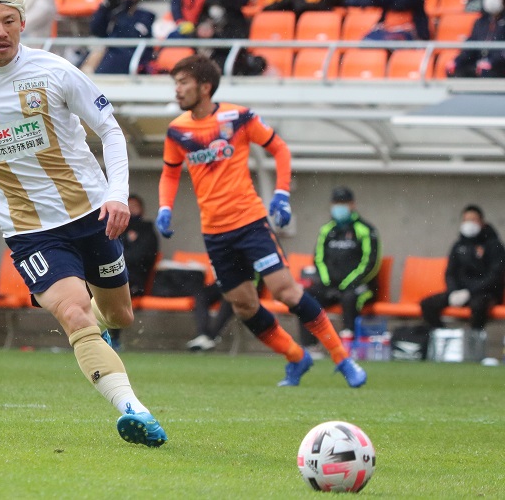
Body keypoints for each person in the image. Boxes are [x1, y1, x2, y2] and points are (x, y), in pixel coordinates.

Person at [0, 0, 167, 447]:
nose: (0, 31)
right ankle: (134, 409)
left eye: (9, 21)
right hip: (28, 230)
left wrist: (117, 194)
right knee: (75, 313)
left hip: (90, 214)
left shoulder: (55, 71)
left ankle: (101, 333)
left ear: (23, 23)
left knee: (119, 315)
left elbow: (110, 129)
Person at [156, 54, 367, 388]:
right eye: (175, 83)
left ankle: (342, 358)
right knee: (243, 305)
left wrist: (281, 194)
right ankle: (296, 357)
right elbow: (170, 174)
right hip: (215, 233)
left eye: (183, 83)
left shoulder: (238, 117)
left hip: (250, 224)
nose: (177, 90)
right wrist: (164, 208)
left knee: (286, 292)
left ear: (205, 87)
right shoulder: (177, 130)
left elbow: (280, 149)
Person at [298, 187, 381, 354]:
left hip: (360, 286)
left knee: (350, 298)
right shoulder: (327, 230)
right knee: (305, 297)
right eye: (336, 203)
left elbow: (371, 263)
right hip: (331, 285)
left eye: (344, 203)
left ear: (352, 204)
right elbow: (318, 259)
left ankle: (348, 347)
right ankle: (310, 347)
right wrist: (327, 282)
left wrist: (347, 283)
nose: (339, 207)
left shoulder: (365, 229)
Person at [420, 205, 505, 332]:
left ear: (482, 222)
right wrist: (453, 291)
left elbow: (495, 277)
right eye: (466, 220)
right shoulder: (458, 246)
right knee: (428, 304)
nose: (469, 224)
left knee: (479, 305)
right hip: (459, 292)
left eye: (473, 220)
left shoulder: (494, 245)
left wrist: (470, 292)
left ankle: (474, 339)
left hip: (485, 293)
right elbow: (450, 273)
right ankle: (444, 336)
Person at [111, 194, 159, 350]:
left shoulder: (147, 230)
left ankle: (114, 338)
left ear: (142, 210)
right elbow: (110, 254)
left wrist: (127, 250)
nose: (131, 210)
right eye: (128, 206)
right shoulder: (115, 229)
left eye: (135, 207)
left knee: (116, 296)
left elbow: (144, 256)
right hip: (115, 273)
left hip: (136, 280)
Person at [90, 0, 155, 74]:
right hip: (110, 56)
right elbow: (96, 30)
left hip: (131, 58)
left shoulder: (145, 16)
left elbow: (131, 37)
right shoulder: (112, 13)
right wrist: (105, 7)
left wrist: (124, 11)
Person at [447, 0, 505, 78]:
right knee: (457, 71)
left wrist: (491, 62)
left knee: (487, 73)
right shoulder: (480, 22)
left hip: (498, 67)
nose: (492, 1)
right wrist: (457, 61)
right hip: (478, 65)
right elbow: (471, 46)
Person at [186, 282, 234, 351]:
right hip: (226, 283)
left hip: (241, 285)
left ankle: (211, 337)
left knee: (230, 297)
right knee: (202, 294)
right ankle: (203, 335)